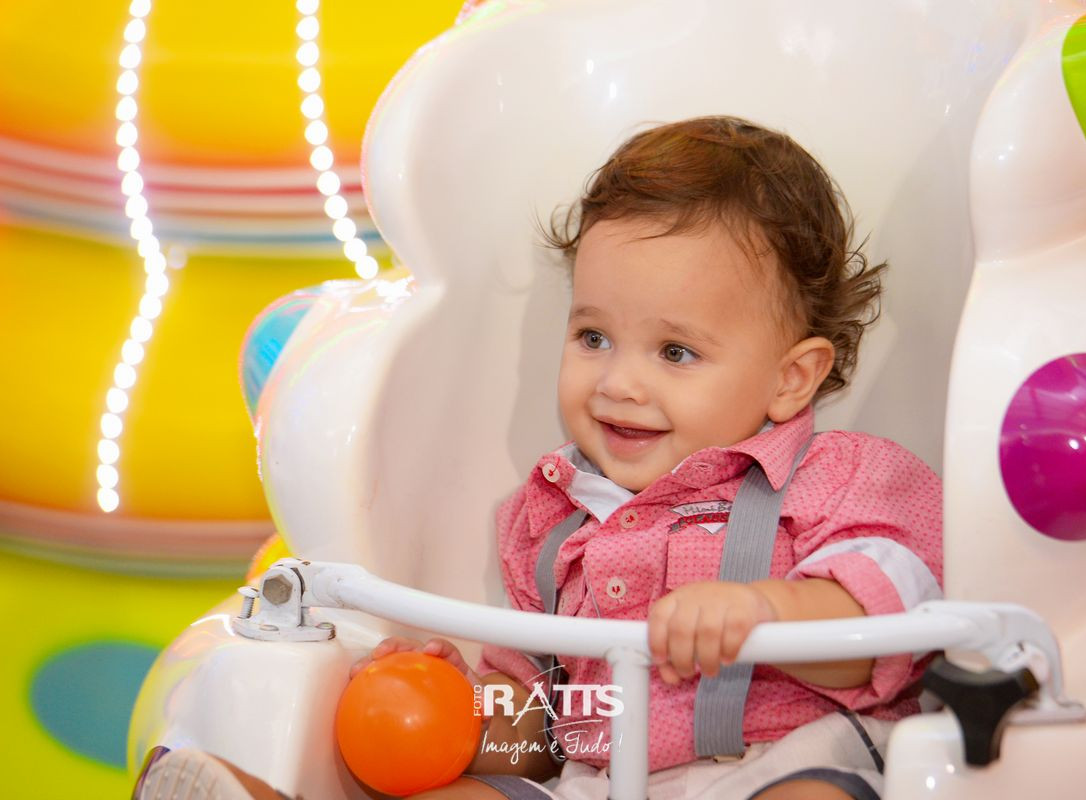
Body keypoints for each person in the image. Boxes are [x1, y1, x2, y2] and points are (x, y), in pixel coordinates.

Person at [140, 116, 942, 800]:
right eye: (593, 337)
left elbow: (887, 628)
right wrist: (462, 706)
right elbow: (544, 734)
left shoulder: (844, 476)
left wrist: (765, 611)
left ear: (791, 378)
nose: (617, 383)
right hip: (596, 783)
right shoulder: (550, 515)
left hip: (778, 767)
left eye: (675, 352)